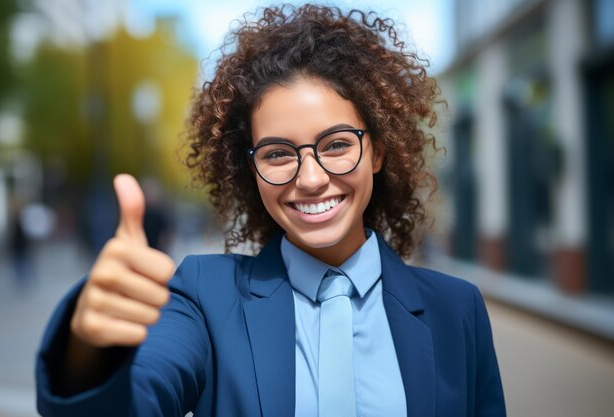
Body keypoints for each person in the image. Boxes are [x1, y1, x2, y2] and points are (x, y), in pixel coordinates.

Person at [36, 4, 506, 416]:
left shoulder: (457, 309)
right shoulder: (204, 296)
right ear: (251, 170)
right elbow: (134, 402)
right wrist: (88, 352)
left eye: (337, 144)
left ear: (378, 152)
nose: (310, 178)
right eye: (278, 153)